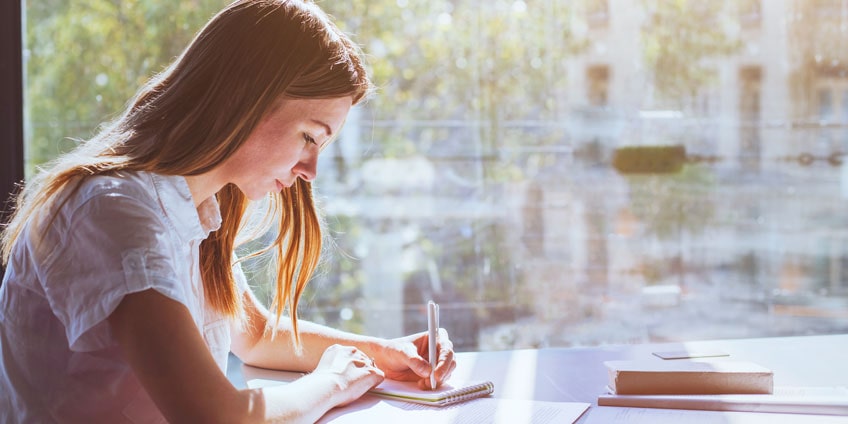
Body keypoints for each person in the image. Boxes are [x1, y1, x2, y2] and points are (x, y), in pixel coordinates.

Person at [0, 0, 456, 422]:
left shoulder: (193, 209)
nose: (311, 170)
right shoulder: (114, 214)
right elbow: (216, 417)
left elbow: (256, 336)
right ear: (247, 98)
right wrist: (333, 382)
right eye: (309, 137)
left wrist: (384, 353)